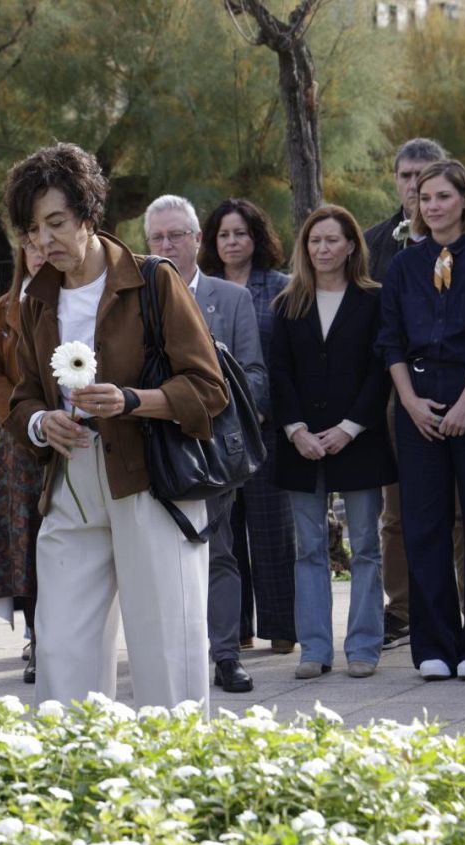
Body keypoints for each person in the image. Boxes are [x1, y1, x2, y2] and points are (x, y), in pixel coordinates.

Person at [4, 143, 228, 708]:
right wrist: (39, 424)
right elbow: (22, 394)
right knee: (60, 648)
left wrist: (132, 400)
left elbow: (208, 389)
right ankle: (77, 776)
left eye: (56, 222)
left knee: (166, 649)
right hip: (71, 481)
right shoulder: (34, 301)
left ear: (88, 213)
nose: (45, 240)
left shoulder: (154, 281)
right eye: (33, 230)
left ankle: (178, 780)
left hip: (150, 478)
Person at [375, 159, 465, 681]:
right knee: (423, 525)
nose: (431, 205)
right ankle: (434, 643)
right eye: (423, 197)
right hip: (417, 399)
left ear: (464, 200)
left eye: (442, 196)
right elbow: (389, 338)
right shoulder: (403, 266)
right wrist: (410, 401)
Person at [144, 194, 267, 694]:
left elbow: (254, 376)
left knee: (217, 552)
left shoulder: (231, 300)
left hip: (212, 448)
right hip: (150, 445)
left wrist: (214, 414)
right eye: (157, 238)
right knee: (151, 560)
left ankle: (225, 655)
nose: (167, 244)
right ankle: (166, 658)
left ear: (198, 239)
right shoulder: (133, 296)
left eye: (177, 235)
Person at [272, 206, 395, 680]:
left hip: (359, 441)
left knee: (366, 545)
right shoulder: (288, 303)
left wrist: (350, 426)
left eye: (332, 240)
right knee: (309, 548)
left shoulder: (374, 300)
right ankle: (315, 649)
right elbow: (279, 372)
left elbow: (379, 369)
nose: (322, 249)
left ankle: (364, 646)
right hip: (300, 444)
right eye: (314, 241)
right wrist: (295, 429)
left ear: (350, 247)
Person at [363, 138, 465, 653]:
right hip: (391, 393)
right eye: (405, 176)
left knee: (459, 509)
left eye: (424, 176)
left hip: (457, 389)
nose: (414, 186)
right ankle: (401, 609)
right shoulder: (374, 242)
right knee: (397, 512)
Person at [199, 198, 297, 656]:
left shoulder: (283, 289)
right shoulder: (200, 291)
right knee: (226, 533)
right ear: (212, 242)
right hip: (217, 432)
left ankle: (282, 629)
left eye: (241, 233)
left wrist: (258, 411)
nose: (233, 242)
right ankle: (235, 627)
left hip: (269, 425)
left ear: (256, 237)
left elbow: (285, 362)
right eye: (224, 234)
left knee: (272, 530)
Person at [0, 239, 48, 684]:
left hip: (72, 437)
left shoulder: (81, 300)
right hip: (19, 445)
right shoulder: (4, 308)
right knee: (26, 546)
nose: (40, 252)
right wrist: (16, 413)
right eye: (31, 246)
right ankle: (38, 639)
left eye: (47, 242)